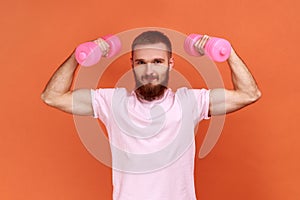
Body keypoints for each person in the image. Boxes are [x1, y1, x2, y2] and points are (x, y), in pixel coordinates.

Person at [41, 30, 261, 200]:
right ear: (133, 65)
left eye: (157, 62)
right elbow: (52, 96)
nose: (149, 71)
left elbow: (249, 94)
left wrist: (227, 51)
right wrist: (78, 56)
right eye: (141, 63)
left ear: (170, 64)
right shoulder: (113, 102)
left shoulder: (189, 102)